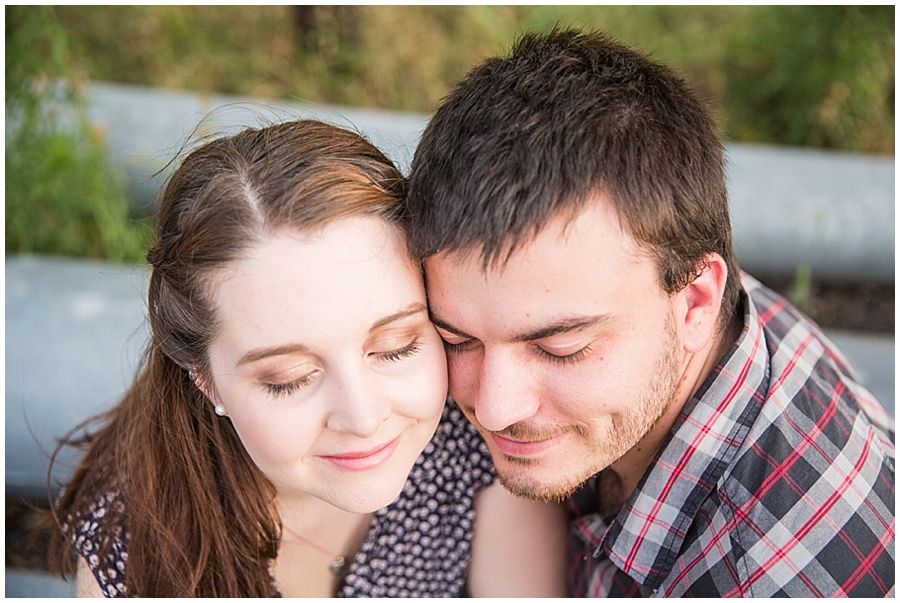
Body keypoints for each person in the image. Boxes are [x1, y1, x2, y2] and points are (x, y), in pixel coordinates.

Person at [405, 28, 895, 597]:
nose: (492, 408)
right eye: (457, 340)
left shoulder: (766, 579)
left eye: (560, 347)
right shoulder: (652, 281)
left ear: (697, 303)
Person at [48, 119, 568, 597]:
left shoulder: (483, 444)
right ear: (205, 380)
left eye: (396, 347)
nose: (363, 418)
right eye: (290, 379)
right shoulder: (139, 547)